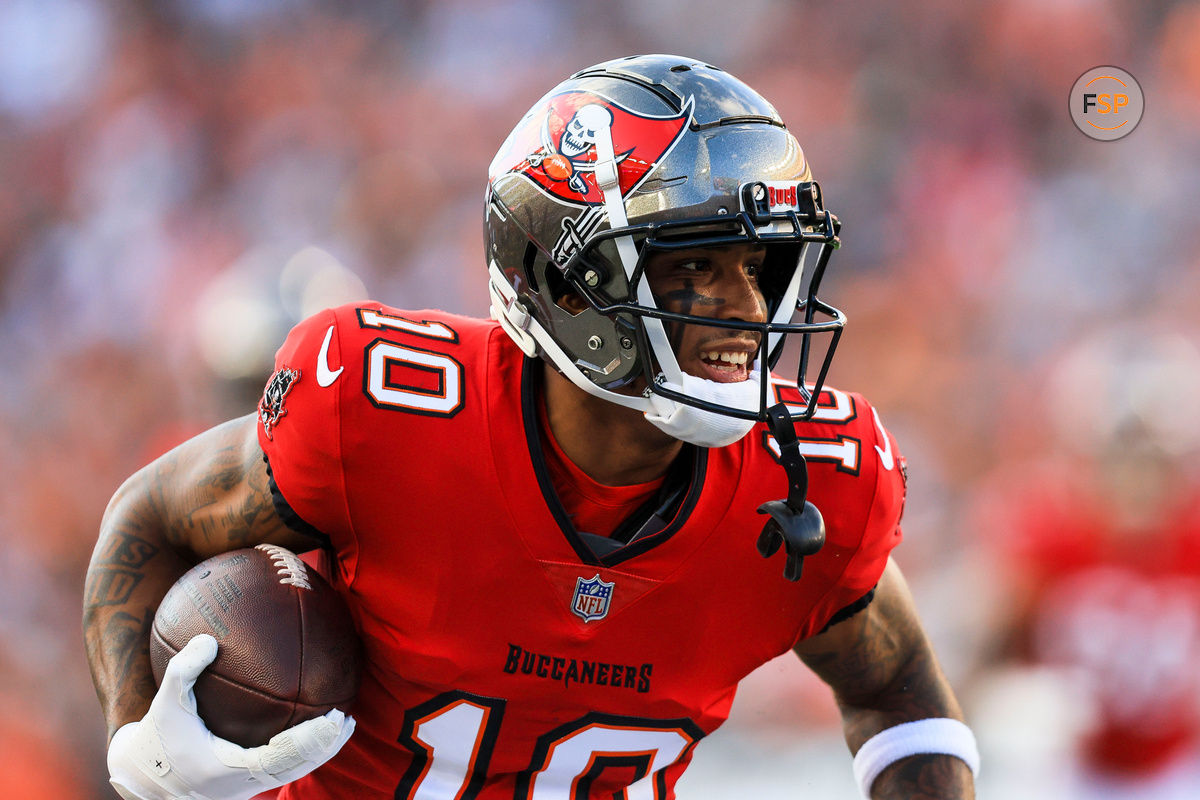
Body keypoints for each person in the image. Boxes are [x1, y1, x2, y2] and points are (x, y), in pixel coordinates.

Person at [84, 54, 977, 800]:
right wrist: (137, 741)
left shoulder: (813, 483)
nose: (743, 311)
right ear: (561, 283)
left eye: (761, 266)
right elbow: (147, 518)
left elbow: (900, 691)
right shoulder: (385, 415)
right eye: (692, 267)